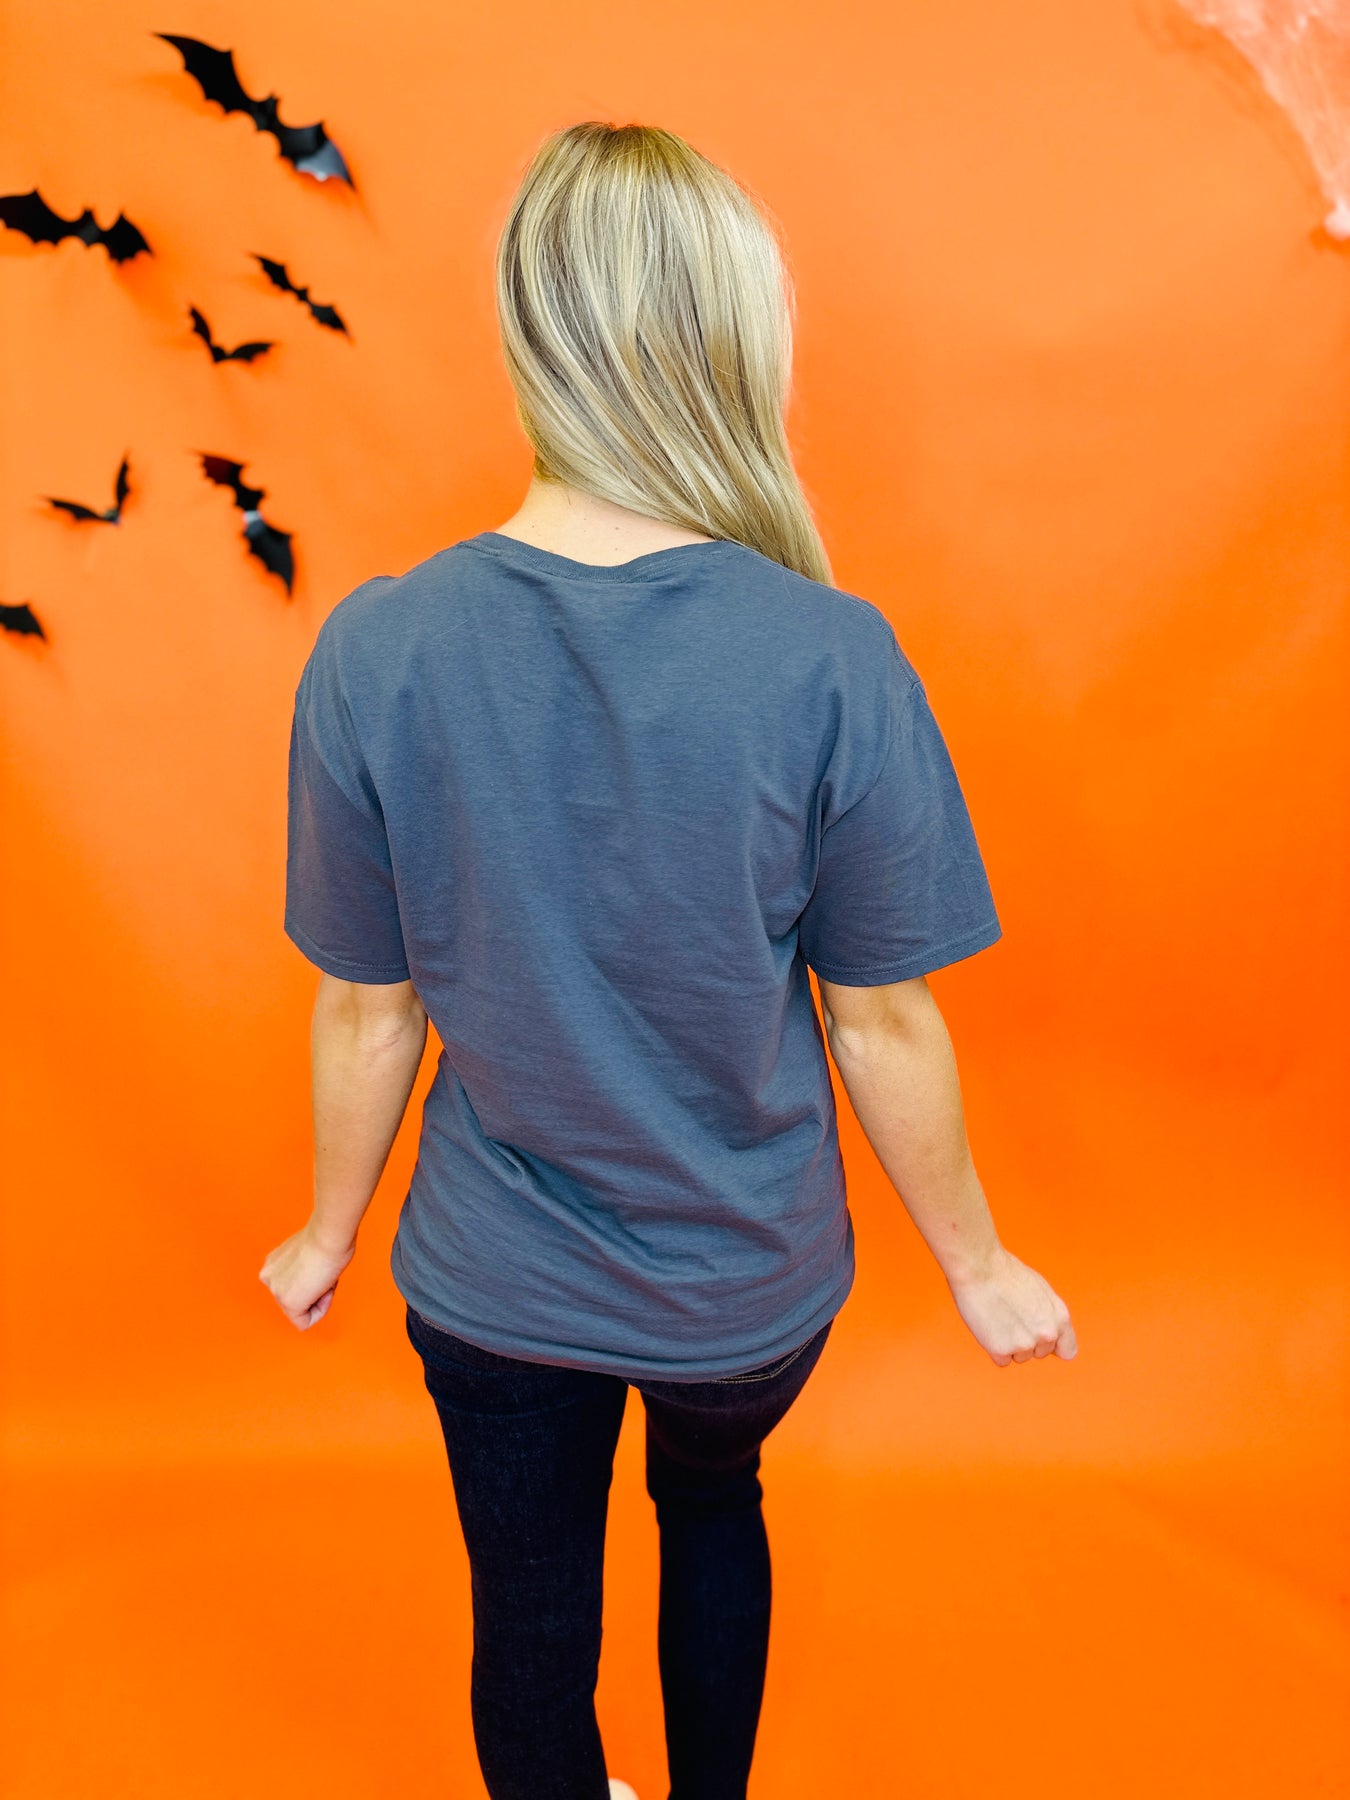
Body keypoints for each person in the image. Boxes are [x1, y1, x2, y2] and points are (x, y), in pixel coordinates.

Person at [259, 120, 1077, 1800]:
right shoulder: (831, 655)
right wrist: (978, 1264)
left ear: (525, 330)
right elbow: (881, 1024)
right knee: (712, 1505)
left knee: (527, 1620)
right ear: (733, 339)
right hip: (743, 1292)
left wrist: (327, 1230)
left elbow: (365, 1008)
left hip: (492, 1284)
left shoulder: (377, 645)